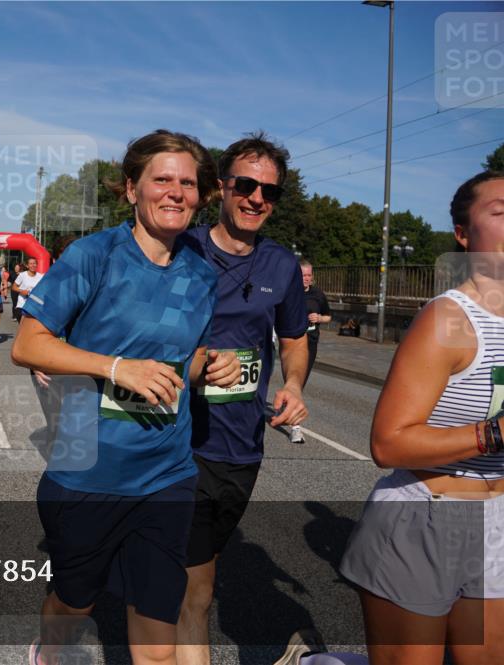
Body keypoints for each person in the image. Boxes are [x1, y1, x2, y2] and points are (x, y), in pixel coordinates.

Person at [12, 130, 241, 665]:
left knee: (157, 641)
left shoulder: (201, 274)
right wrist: (116, 367)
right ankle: (48, 650)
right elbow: (28, 345)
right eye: (162, 179)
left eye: (188, 183)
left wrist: (214, 365)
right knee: (74, 605)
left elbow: (188, 360)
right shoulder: (94, 255)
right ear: (132, 189)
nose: (176, 191)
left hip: (166, 475)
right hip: (88, 472)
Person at [325, 172, 504, 665]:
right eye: (501, 212)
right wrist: (495, 433)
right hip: (426, 516)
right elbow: (388, 444)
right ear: (463, 235)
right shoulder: (449, 320)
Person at [176, 131, 309, 665]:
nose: (257, 199)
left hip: (241, 446)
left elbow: (294, 338)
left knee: (201, 569)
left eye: (269, 192)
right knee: (194, 591)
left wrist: (293, 384)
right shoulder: (182, 247)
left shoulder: (281, 265)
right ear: (221, 187)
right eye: (246, 186)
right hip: (177, 439)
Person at [289, 260, 333, 443]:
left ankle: (288, 404)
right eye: (303, 275)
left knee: (300, 382)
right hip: (292, 343)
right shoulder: (289, 292)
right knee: (295, 382)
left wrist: (319, 318)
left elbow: (329, 316)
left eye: (309, 275)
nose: (306, 279)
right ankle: (295, 428)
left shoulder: (317, 294)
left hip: (311, 343)